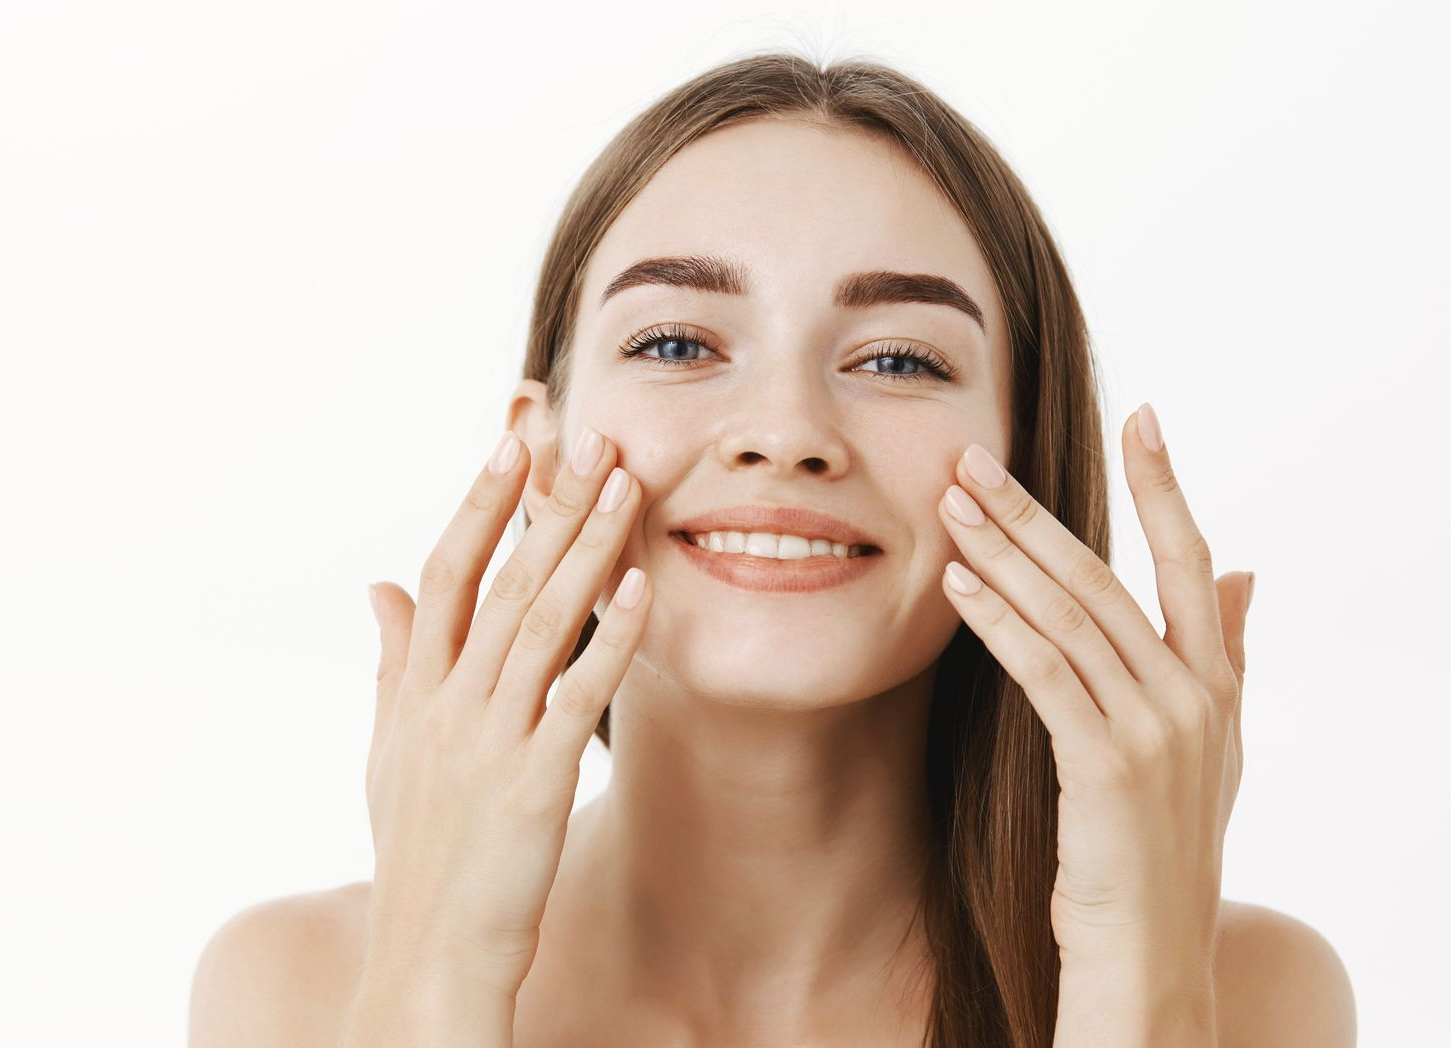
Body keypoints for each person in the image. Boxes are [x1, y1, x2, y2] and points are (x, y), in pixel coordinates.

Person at [189, 51, 1356, 1048]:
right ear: (538, 460)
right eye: (676, 341)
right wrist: (429, 982)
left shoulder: (1253, 996)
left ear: (1026, 460)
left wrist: (1138, 991)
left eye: (898, 360)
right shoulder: (291, 989)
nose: (787, 433)